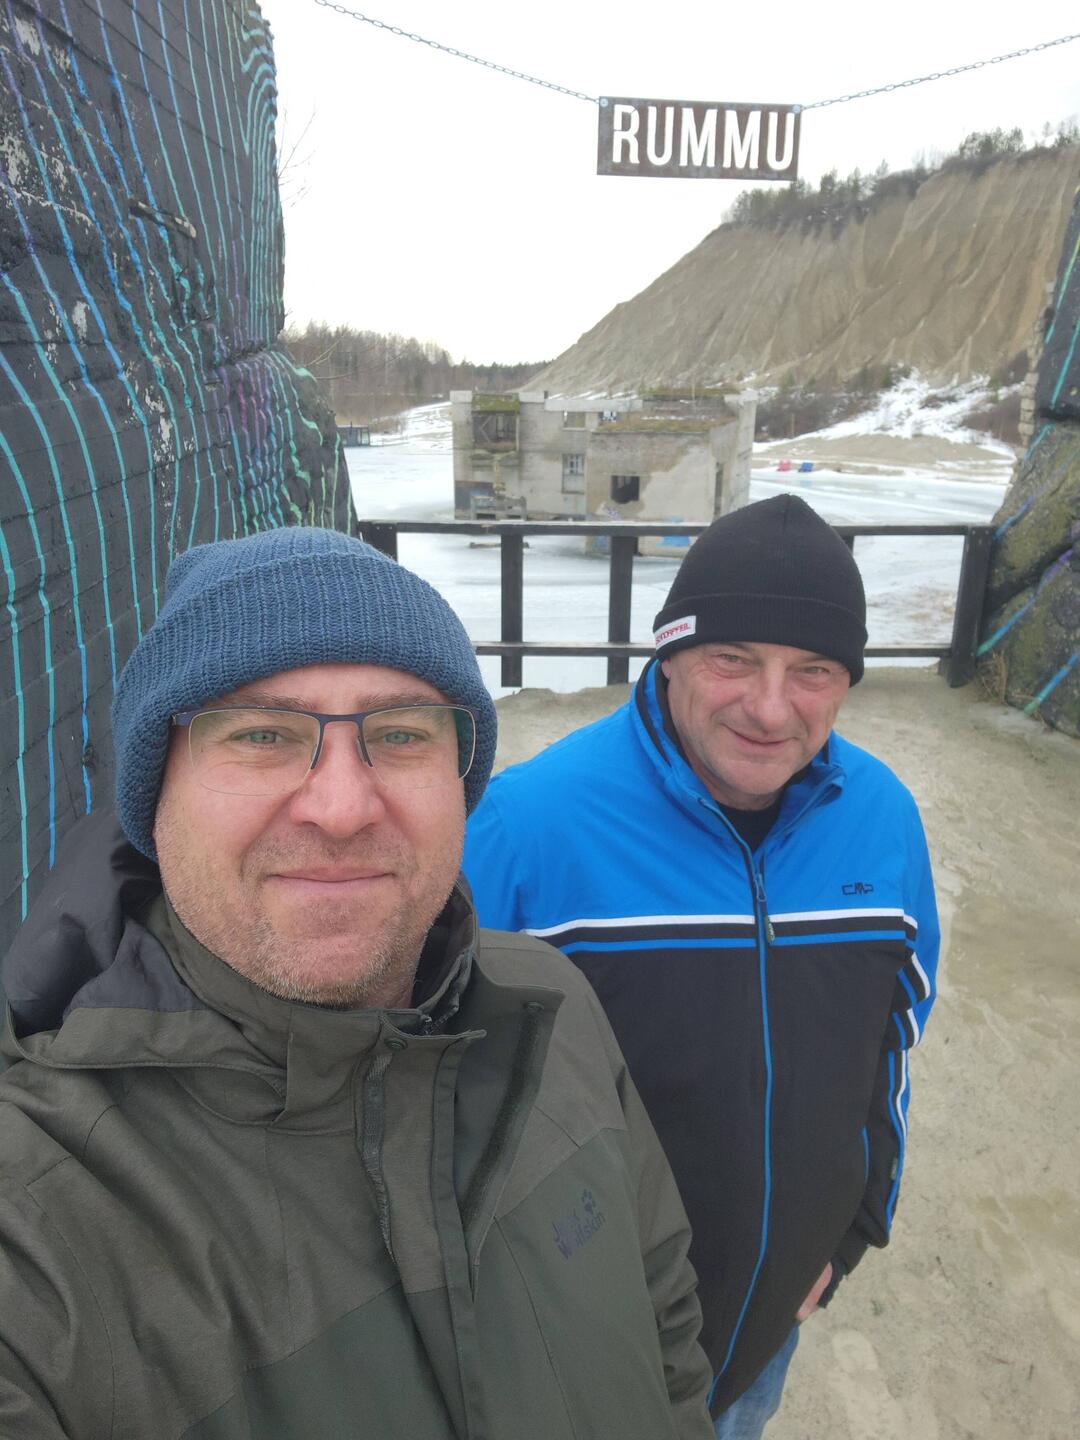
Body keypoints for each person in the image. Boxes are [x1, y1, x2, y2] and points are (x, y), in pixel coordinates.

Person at [0, 526, 713, 1440]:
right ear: (155, 792)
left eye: (402, 734)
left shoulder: (553, 1006)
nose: (340, 809)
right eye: (262, 734)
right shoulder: (37, 1232)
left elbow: (667, 1329)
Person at [464, 494, 940, 1438]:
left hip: (765, 1334)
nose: (770, 707)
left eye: (812, 671)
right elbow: (435, 1089)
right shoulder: (526, 827)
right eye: (734, 659)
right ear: (670, 653)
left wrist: (852, 1228)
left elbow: (892, 1037)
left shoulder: (882, 818)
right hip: (580, 1351)